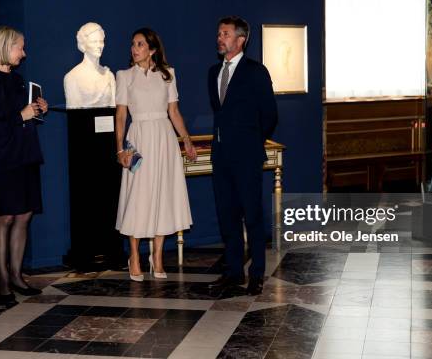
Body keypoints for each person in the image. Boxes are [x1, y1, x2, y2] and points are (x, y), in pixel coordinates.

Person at [115, 27, 197, 281]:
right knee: (137, 196)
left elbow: (174, 112)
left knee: (163, 194)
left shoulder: (168, 75)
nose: (134, 48)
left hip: (164, 139)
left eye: (139, 44)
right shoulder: (124, 76)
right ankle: (135, 256)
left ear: (152, 49)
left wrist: (187, 140)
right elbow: (120, 116)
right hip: (137, 139)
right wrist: (120, 148)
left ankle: (157, 256)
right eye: (132, 44)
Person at [0, 25, 48, 302]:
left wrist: (39, 109)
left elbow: (26, 117)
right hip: (3, 160)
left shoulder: (17, 81)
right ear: (5, 47)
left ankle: (17, 275)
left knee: (24, 215)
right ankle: (3, 280)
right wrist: (21, 115)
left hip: (25, 155)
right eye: (20, 47)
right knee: (5, 217)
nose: (24, 53)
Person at [207, 16, 278, 295]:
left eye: (225, 33)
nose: (219, 38)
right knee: (227, 215)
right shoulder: (213, 72)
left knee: (252, 216)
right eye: (219, 33)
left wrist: (251, 142)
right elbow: (220, 113)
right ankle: (233, 272)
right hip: (221, 155)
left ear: (240, 40)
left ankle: (256, 274)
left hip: (247, 156)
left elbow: (270, 115)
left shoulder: (256, 72)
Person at [64, 22, 116, 108]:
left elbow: (113, 110)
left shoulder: (109, 76)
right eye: (94, 42)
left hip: (105, 121)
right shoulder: (72, 77)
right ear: (83, 44)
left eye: (101, 41)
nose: (99, 46)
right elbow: (74, 117)